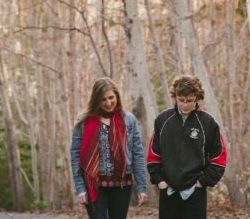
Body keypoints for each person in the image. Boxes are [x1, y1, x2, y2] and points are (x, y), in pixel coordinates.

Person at [147, 75, 227, 219]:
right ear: (175, 97)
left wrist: (202, 182)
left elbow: (219, 158)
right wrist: (159, 181)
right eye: (181, 100)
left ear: (197, 98)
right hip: (168, 191)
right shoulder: (163, 120)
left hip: (195, 192)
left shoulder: (208, 123)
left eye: (189, 101)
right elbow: (153, 155)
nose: (185, 105)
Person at [70, 77, 148, 219]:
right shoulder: (83, 122)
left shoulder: (128, 120)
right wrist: (80, 188)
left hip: (122, 185)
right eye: (103, 99)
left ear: (117, 96)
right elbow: (75, 156)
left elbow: (137, 154)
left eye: (111, 97)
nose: (108, 103)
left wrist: (142, 187)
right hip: (93, 184)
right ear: (96, 100)